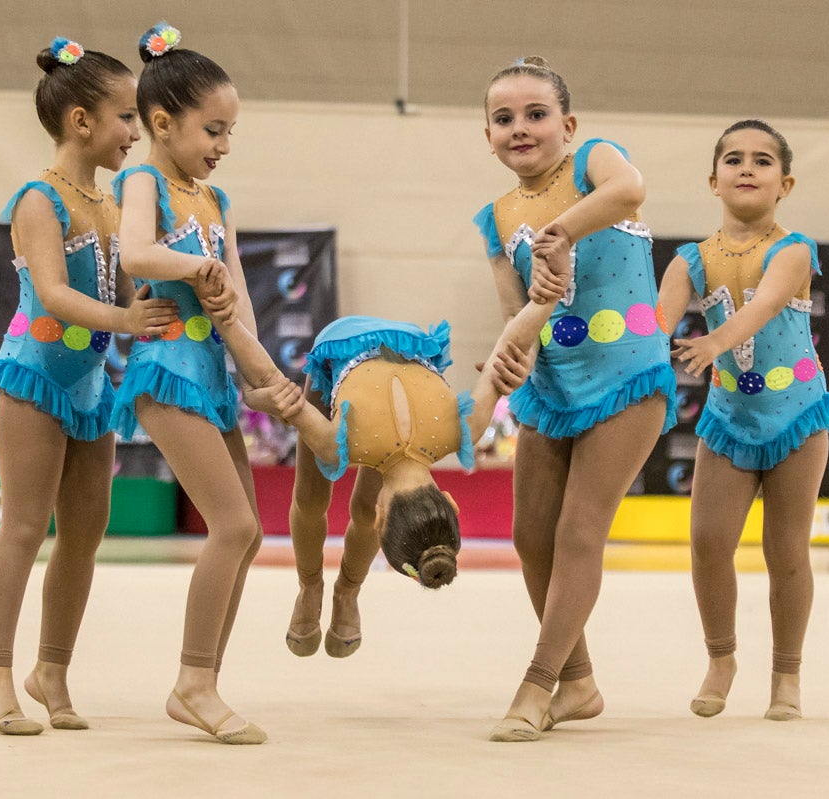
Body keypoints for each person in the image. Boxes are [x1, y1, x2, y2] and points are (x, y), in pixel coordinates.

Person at [192, 234, 571, 660]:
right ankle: (312, 586)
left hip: (408, 343)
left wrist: (545, 297)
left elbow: (509, 348)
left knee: (336, 482)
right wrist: (228, 324)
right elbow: (277, 389)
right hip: (338, 349)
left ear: (450, 501)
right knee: (311, 499)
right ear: (381, 517)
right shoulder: (341, 442)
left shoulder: (461, 427)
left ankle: (346, 592)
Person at [0, 37, 178, 735]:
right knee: (24, 526)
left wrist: (172, 282)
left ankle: (51, 669)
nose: (135, 133)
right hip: (33, 376)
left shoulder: (113, 203)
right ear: (81, 122)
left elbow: (125, 288)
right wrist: (125, 318)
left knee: (85, 533)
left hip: (89, 385)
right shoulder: (39, 199)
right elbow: (55, 294)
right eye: (126, 118)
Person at [473, 56, 677, 741]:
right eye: (504, 118)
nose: (520, 128)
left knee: (579, 530)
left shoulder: (595, 162)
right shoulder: (496, 216)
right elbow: (516, 313)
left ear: (568, 125)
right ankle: (579, 682)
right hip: (553, 387)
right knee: (530, 536)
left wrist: (563, 230)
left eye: (536, 115)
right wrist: (508, 359)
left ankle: (536, 684)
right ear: (487, 136)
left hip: (627, 376)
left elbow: (630, 188)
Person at [111, 22, 265, 745]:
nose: (223, 145)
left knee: (249, 532)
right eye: (213, 129)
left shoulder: (217, 200)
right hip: (166, 368)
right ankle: (192, 684)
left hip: (211, 374)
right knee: (231, 526)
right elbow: (137, 252)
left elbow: (239, 291)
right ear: (163, 123)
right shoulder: (142, 181)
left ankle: (205, 679)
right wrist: (194, 267)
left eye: (230, 132)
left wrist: (260, 374)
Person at [658, 119, 829, 721]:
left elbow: (765, 304)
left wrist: (714, 342)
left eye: (763, 161)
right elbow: (654, 327)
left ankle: (786, 674)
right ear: (713, 180)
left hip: (798, 417)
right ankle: (721, 659)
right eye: (733, 159)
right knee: (709, 542)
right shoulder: (690, 260)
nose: (746, 168)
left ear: (785, 184)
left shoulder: (794, 250)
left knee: (785, 548)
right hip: (728, 418)